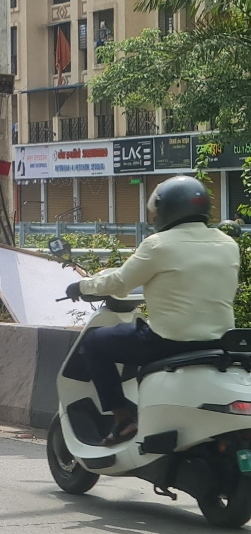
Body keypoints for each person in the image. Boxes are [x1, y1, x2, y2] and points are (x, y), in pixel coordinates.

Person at [66, 175, 240, 445]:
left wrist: (82, 286)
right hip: (220, 342)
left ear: (166, 209)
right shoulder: (229, 245)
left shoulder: (158, 245)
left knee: (95, 343)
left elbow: (121, 282)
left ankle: (123, 420)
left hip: (169, 343)